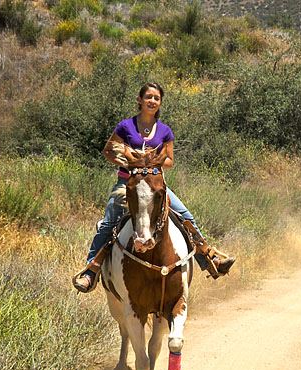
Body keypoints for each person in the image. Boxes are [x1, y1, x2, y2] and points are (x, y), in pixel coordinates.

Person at [72, 82, 235, 293]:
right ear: (140, 100)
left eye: (156, 98)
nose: (152, 101)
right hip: (128, 184)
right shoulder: (125, 127)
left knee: (186, 216)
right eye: (148, 97)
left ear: (160, 103)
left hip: (155, 185)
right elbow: (108, 151)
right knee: (109, 222)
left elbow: (169, 161)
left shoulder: (165, 131)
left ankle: (209, 259)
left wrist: (150, 161)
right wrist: (129, 162)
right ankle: (90, 270)